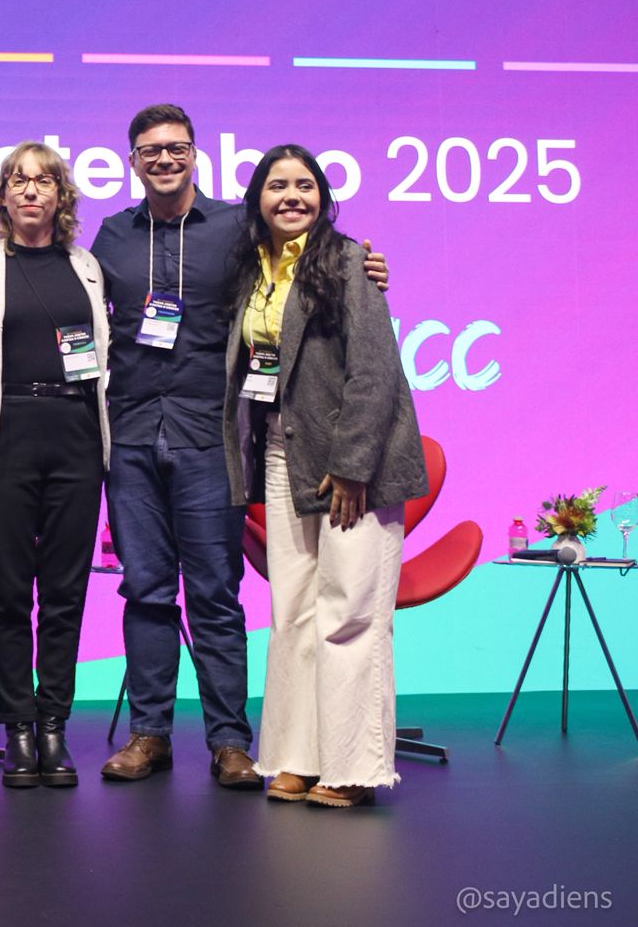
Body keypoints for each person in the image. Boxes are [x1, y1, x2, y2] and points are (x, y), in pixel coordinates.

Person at [92, 104, 387, 789]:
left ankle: (230, 742)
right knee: (145, 591)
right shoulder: (111, 237)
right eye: (150, 151)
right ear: (132, 160)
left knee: (216, 594)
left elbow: (307, 261)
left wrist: (365, 265)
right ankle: (149, 735)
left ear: (195, 153)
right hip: (131, 435)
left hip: (210, 435)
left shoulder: (236, 228)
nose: (164, 159)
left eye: (176, 148)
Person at [222, 144, 425, 808]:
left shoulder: (347, 263)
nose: (291, 197)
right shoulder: (253, 272)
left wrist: (353, 466)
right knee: (295, 612)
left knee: (350, 613)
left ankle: (353, 767)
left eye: (304, 185)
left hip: (348, 464)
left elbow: (375, 373)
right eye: (277, 185)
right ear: (257, 198)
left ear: (323, 196)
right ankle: (297, 756)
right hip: (284, 456)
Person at [0, 141, 111, 789]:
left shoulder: (88, 266)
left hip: (76, 435)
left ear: (60, 196)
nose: (29, 191)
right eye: (17, 180)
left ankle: (54, 725)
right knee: (11, 594)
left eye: (42, 181)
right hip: (5, 436)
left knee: (66, 595)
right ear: (2, 195)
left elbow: (102, 353)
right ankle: (17, 726)